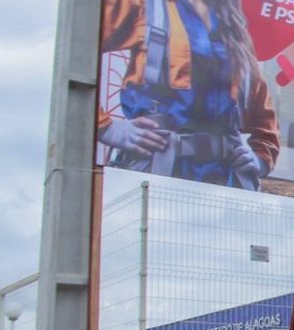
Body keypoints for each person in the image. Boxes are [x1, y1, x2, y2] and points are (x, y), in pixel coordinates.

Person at [98, 0, 279, 190]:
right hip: (156, 172)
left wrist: (260, 160)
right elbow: (74, 46)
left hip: (228, 184)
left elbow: (264, 121)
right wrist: (107, 128)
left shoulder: (235, 29)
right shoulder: (145, 6)